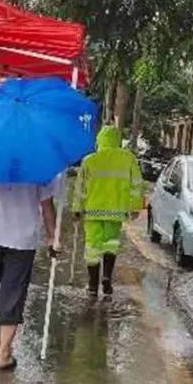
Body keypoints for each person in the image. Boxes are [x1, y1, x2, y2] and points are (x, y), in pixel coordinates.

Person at [0, 177, 61, 370]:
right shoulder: (41, 166)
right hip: (22, 237)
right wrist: (52, 237)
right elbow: (47, 206)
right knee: (13, 291)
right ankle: (3, 353)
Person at [72, 125, 143, 299]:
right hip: (115, 211)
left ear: (99, 140)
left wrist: (76, 208)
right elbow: (136, 185)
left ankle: (93, 284)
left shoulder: (89, 160)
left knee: (92, 247)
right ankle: (107, 278)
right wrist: (134, 207)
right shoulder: (128, 159)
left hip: (93, 211)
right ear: (118, 141)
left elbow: (80, 188)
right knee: (111, 244)